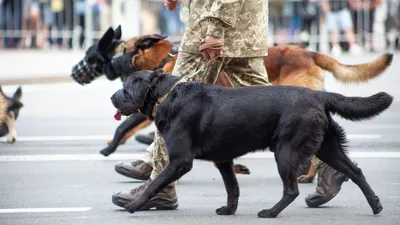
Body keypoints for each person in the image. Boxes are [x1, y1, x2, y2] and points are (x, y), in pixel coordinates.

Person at [112, 0, 271, 210]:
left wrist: (215, 29)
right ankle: (324, 153)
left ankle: (161, 187)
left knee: (169, 106)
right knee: (276, 105)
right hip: (243, 29)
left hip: (208, 31)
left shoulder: (213, 29)